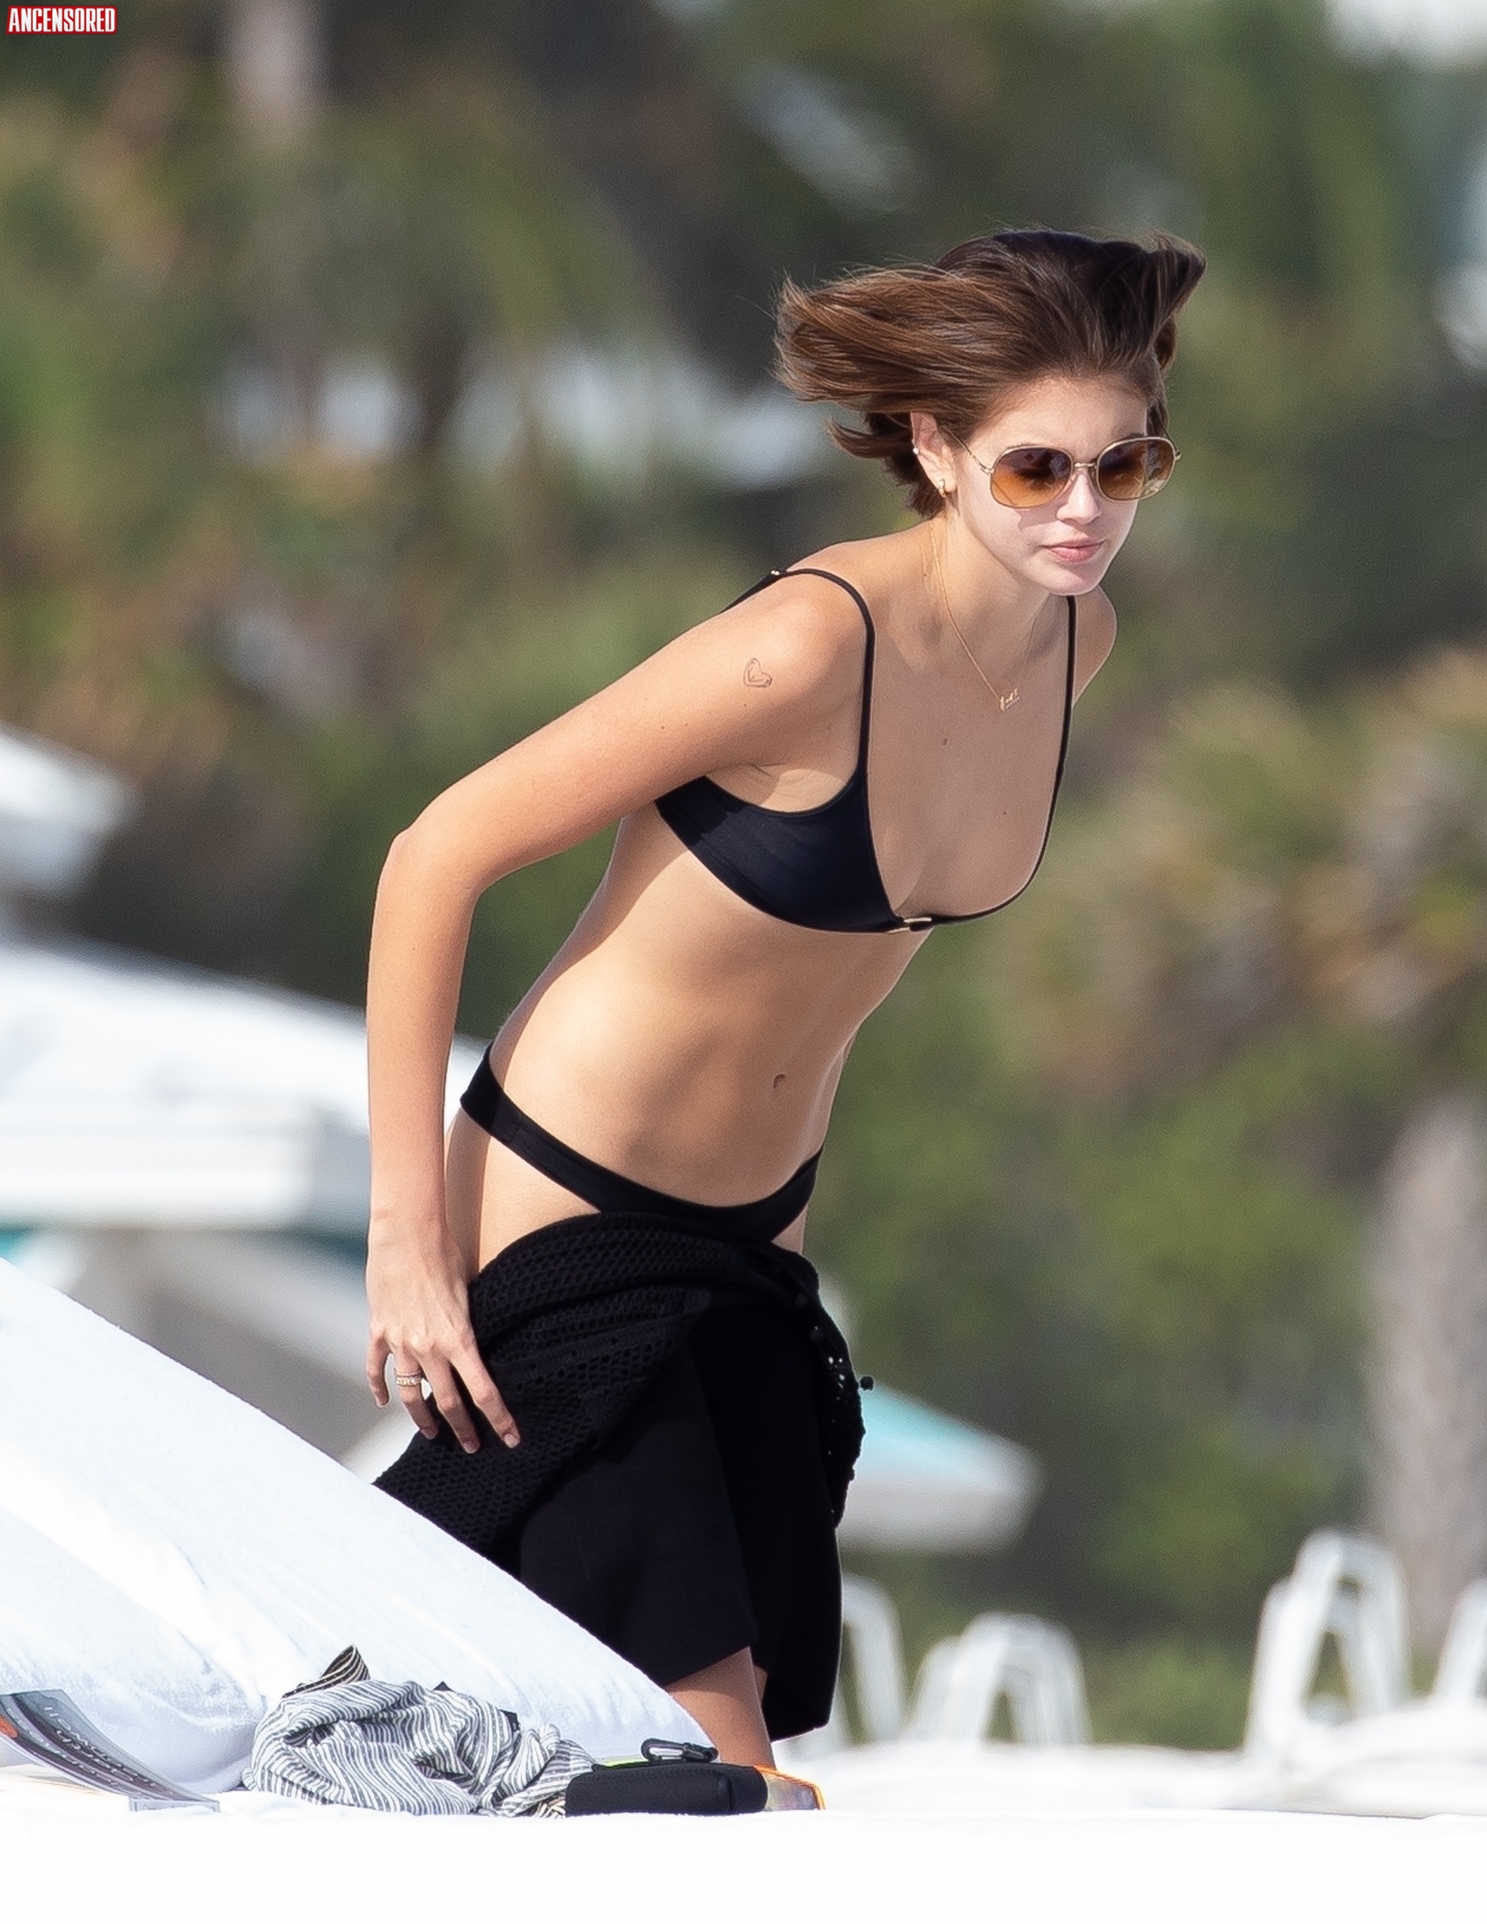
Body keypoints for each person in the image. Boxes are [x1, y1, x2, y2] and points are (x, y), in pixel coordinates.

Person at [363, 228, 1205, 1765]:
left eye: (1123, 466)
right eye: (1035, 470)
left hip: (756, 1254)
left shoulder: (1075, 643)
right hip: (568, 1215)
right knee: (712, 1762)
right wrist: (405, 1243)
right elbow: (436, 856)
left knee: (631, 1736)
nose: (1083, 511)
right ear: (934, 448)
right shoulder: (804, 649)